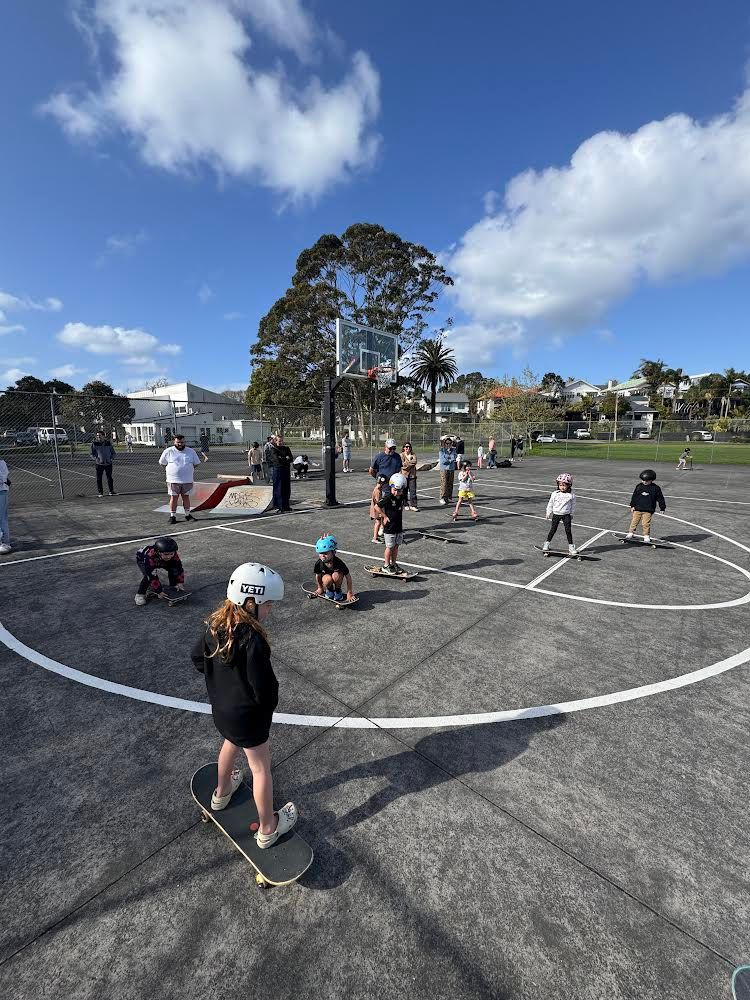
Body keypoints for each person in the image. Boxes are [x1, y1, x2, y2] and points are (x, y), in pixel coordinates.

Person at [190, 562, 297, 849]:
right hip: (249, 719)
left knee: (229, 743)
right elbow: (264, 688)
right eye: (268, 604)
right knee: (261, 769)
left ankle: (221, 794)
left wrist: (220, 682)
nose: (270, 610)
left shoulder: (215, 625)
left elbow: (197, 658)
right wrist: (267, 706)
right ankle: (267, 828)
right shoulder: (254, 641)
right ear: (250, 602)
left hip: (222, 711)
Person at [159, 433, 202, 525]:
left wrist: (188, 469)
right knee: (174, 498)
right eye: (178, 442)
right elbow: (162, 463)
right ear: (174, 442)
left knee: (186, 497)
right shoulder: (168, 451)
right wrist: (171, 471)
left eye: (182, 442)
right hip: (173, 480)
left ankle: (187, 515)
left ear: (184, 442)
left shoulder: (191, 451)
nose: (180, 444)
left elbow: (197, 463)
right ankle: (172, 516)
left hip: (187, 480)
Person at [134, 536, 185, 605]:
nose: (169, 556)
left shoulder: (173, 555)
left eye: (171, 554)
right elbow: (151, 576)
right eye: (166, 554)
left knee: (173, 569)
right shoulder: (149, 557)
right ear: (158, 552)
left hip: (160, 559)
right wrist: (159, 591)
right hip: (142, 559)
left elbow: (179, 569)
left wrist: (179, 582)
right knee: (147, 577)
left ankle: (173, 587)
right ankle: (140, 594)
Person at [375, 473, 407, 574]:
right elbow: (377, 506)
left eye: (399, 490)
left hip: (398, 526)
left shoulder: (401, 497)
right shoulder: (388, 497)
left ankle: (393, 563)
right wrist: (384, 516)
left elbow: (400, 507)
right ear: (391, 487)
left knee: (396, 546)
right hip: (389, 527)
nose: (397, 492)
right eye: (395, 490)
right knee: (389, 547)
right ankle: (386, 565)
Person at [626, 470, 666, 543]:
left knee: (645, 523)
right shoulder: (639, 486)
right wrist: (632, 505)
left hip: (648, 510)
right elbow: (634, 496)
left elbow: (660, 498)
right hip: (637, 508)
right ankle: (631, 533)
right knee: (634, 521)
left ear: (651, 480)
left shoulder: (655, 488)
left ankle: (646, 536)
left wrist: (662, 508)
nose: (644, 482)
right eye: (643, 480)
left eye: (646, 481)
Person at [543, 473, 578, 555]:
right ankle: (547, 544)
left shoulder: (571, 495)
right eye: (560, 485)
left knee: (568, 530)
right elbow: (550, 503)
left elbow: (573, 505)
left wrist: (571, 514)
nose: (562, 487)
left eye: (564, 485)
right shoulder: (555, 494)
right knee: (553, 529)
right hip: (556, 514)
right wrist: (548, 512)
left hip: (566, 515)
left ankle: (571, 546)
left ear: (569, 485)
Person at [313, 534, 354, 602]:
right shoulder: (319, 563)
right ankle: (329, 590)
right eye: (320, 553)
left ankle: (338, 591)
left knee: (336, 576)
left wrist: (349, 593)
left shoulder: (338, 562)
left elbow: (348, 577)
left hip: (337, 577)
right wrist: (320, 588)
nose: (322, 556)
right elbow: (318, 575)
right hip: (326, 578)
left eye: (325, 553)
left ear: (333, 552)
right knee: (327, 579)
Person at [268, 434, 293, 512]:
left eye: (282, 441)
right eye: (279, 441)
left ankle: (286, 506)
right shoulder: (273, 449)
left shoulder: (286, 448)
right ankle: (279, 506)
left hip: (286, 470)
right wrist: (285, 458)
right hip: (278, 470)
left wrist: (283, 458)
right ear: (276, 441)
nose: (281, 442)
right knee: (279, 488)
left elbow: (291, 458)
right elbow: (277, 460)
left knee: (286, 488)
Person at [91, 430, 117, 498]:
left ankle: (111, 491)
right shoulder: (94, 443)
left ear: (103, 436)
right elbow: (92, 453)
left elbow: (113, 452)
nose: (98, 437)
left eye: (99, 435)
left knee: (109, 478)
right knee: (99, 478)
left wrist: (111, 458)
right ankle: (100, 492)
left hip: (108, 463)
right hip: (99, 464)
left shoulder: (108, 443)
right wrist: (96, 459)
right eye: (97, 436)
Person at [438, 435, 457, 505]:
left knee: (450, 483)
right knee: (444, 483)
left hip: (451, 468)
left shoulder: (453, 450)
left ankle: (448, 497)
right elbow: (443, 461)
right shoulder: (442, 450)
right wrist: (450, 459)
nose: (448, 445)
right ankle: (442, 497)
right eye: (447, 443)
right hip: (444, 469)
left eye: (450, 443)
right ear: (444, 444)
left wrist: (449, 458)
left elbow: (454, 457)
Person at [401, 441, 419, 511]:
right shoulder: (401, 455)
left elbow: (414, 462)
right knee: (404, 491)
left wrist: (406, 464)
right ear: (404, 448)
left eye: (409, 447)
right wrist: (409, 464)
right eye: (406, 447)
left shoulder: (413, 454)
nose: (407, 448)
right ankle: (405, 504)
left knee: (413, 491)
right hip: (404, 476)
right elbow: (402, 466)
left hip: (412, 476)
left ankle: (413, 505)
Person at [370, 475, 387, 543]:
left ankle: (376, 536)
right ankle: (375, 538)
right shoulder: (378, 491)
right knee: (378, 522)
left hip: (376, 509)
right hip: (377, 510)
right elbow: (378, 502)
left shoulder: (378, 489)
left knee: (378, 522)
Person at [0, 457, 11, 554]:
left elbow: (2, 478)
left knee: (1, 517)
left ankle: (4, 542)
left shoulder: (1, 462)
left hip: (1, 491)